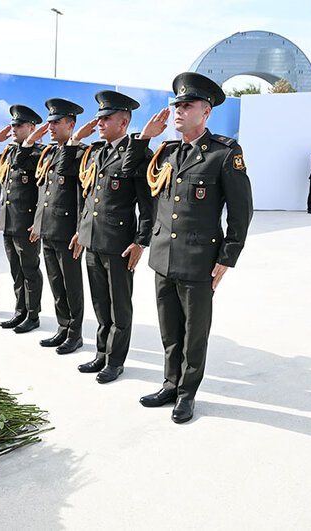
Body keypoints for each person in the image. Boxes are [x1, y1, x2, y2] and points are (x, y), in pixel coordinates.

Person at [126, 72, 253, 423]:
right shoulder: (166, 151)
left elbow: (241, 211)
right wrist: (143, 139)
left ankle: (187, 393)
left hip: (199, 261)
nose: (179, 110)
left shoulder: (224, 154)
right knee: (169, 331)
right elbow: (129, 172)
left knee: (194, 334)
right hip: (163, 256)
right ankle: (170, 383)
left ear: (206, 111)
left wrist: (227, 258)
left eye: (187, 105)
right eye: (177, 105)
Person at [68, 90, 154, 384]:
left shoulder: (137, 152)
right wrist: (81, 230)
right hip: (92, 241)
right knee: (100, 303)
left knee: (119, 306)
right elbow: (87, 197)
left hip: (119, 244)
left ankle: (116, 361)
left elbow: (147, 204)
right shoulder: (95, 152)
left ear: (124, 121)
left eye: (106, 118)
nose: (99, 122)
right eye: (99, 117)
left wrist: (141, 241)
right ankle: (102, 352)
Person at [26, 98, 87, 354]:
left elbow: (83, 195)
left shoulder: (83, 152)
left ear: (71, 125)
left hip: (67, 231)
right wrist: (37, 222)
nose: (51, 126)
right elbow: (43, 191)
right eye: (49, 122)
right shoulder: (49, 152)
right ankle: (62, 328)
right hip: (48, 228)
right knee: (55, 282)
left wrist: (80, 230)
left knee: (71, 284)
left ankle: (75, 333)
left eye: (57, 122)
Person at [0, 105, 45, 333]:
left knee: (30, 270)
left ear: (32, 128)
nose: (14, 128)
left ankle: (33, 315)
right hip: (9, 222)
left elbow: (42, 192)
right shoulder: (9, 151)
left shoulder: (39, 153)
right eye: (13, 125)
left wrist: (38, 222)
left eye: (19, 125)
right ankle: (19, 312)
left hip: (26, 223)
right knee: (16, 272)